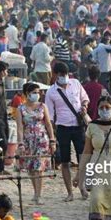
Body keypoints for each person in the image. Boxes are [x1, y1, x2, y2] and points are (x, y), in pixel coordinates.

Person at [46, 62, 90, 201]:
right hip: (63, 127)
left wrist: (84, 107)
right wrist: (52, 136)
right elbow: (50, 116)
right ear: (55, 75)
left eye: (65, 74)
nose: (63, 77)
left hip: (78, 126)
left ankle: (82, 187)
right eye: (60, 75)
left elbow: (85, 99)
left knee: (82, 158)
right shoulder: (51, 92)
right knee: (65, 161)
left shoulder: (76, 83)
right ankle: (69, 192)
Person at [16, 83, 56, 204]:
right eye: (34, 92)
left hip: (41, 140)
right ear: (27, 94)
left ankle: (38, 194)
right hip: (28, 141)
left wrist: (52, 140)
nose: (37, 95)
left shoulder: (43, 106)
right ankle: (35, 192)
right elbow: (20, 127)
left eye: (38, 92)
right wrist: (20, 143)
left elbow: (48, 124)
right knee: (31, 168)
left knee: (39, 167)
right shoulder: (20, 108)